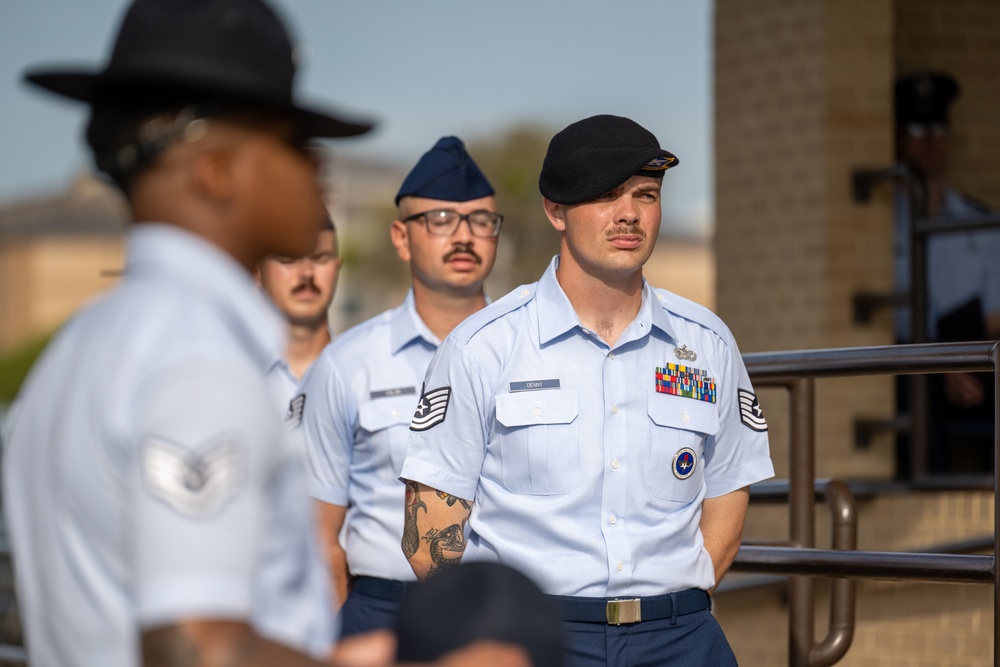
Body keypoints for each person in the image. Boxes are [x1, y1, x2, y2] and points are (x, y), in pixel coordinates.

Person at [2, 2, 528, 667]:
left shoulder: (81, 347)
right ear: (217, 168)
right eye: (296, 143)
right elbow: (195, 644)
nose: (318, 168)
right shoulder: (195, 356)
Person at [400, 114, 775, 667]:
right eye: (605, 195)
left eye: (646, 194)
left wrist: (669, 608)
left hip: (680, 639)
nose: (629, 213)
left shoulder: (708, 345)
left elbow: (727, 495)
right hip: (533, 641)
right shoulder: (484, 345)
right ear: (555, 210)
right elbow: (430, 523)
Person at [301, 136, 501, 636]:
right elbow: (320, 535)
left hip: (503, 614)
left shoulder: (532, 352)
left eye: (480, 221)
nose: (463, 236)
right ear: (400, 236)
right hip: (382, 612)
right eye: (439, 220)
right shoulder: (349, 363)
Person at [892, 72, 1000, 472]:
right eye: (919, 128)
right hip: (906, 363)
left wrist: (965, 362)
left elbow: (994, 320)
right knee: (917, 385)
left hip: (975, 355)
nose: (932, 140)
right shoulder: (873, 228)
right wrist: (939, 367)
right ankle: (927, 502)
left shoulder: (978, 222)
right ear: (899, 138)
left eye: (939, 127)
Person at [257, 212, 342, 399]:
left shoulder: (366, 371)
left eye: (320, 258)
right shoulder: (229, 372)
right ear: (257, 271)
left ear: (337, 266)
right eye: (288, 258)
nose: (307, 273)